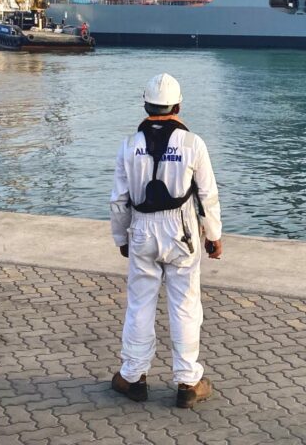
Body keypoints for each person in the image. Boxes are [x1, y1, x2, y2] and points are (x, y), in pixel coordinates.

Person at [110, 73, 223, 408]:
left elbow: (119, 200)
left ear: (146, 105)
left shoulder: (129, 146)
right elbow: (208, 195)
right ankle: (188, 383)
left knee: (140, 304)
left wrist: (121, 236)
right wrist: (213, 236)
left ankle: (132, 377)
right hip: (182, 234)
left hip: (142, 231)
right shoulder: (193, 144)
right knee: (185, 305)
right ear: (178, 105)